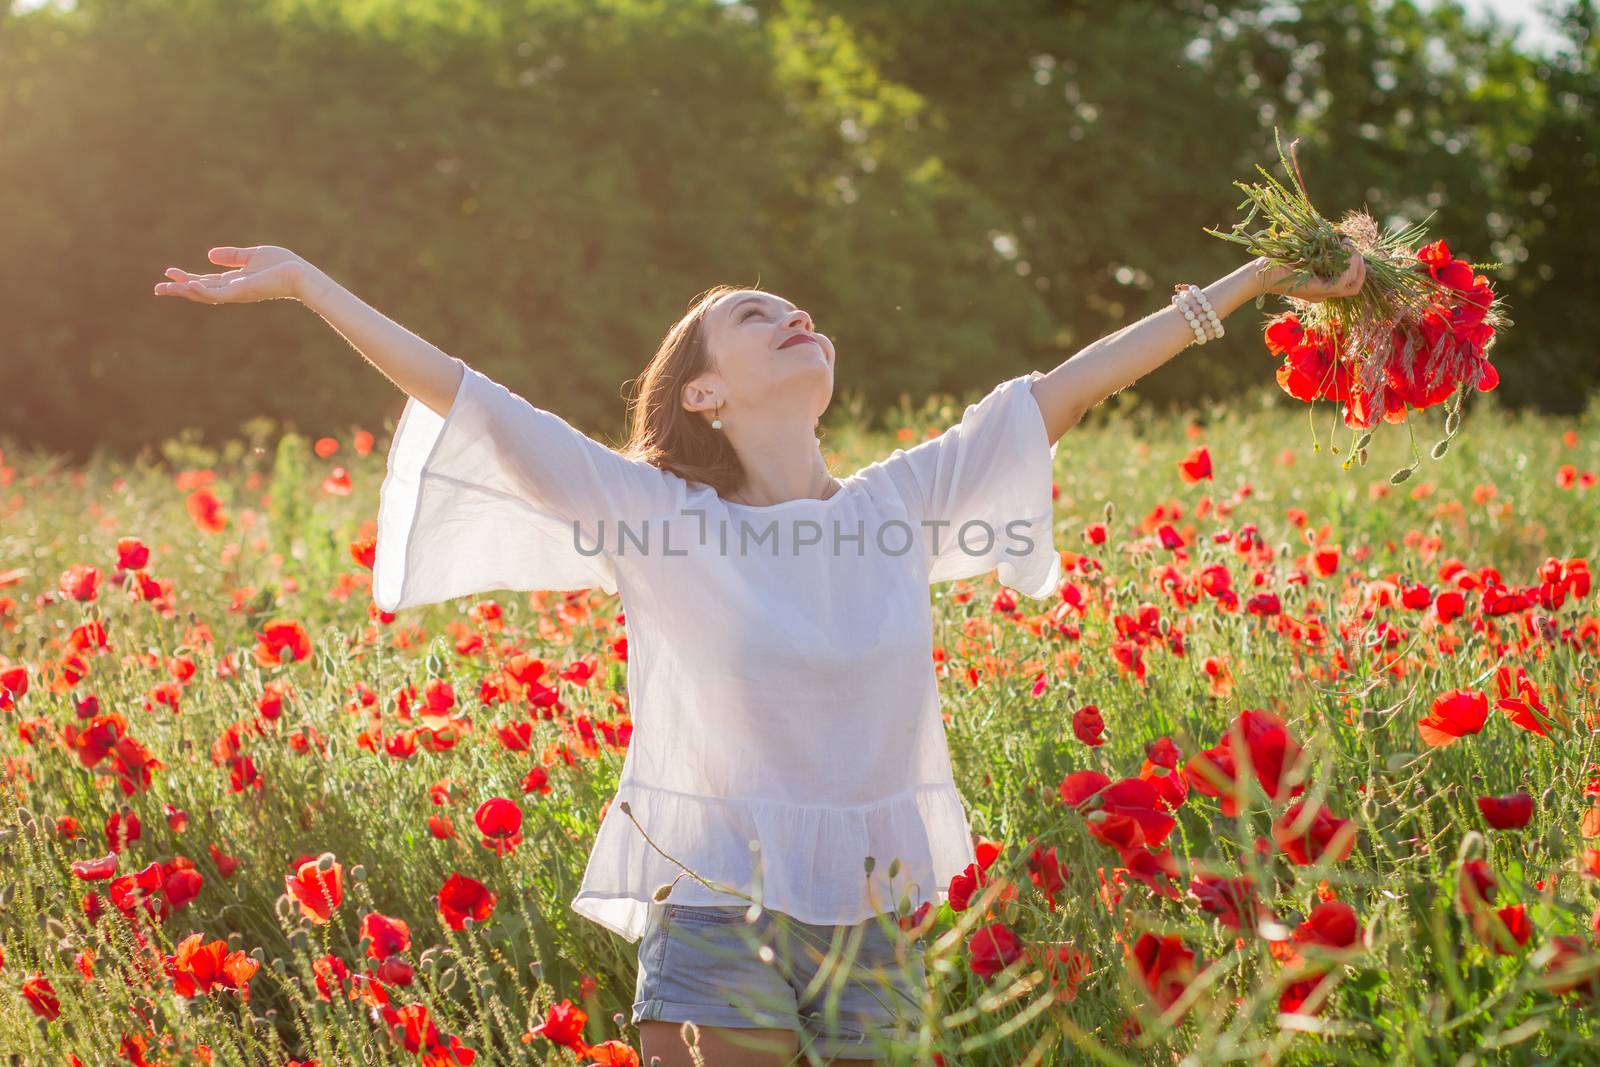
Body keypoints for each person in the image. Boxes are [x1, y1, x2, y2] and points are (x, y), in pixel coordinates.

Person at [154, 245, 1364, 1065]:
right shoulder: (660, 518)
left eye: (802, 314)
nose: (797, 318)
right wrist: (312, 285)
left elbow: (1073, 384)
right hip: (716, 899)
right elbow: (476, 399)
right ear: (704, 396)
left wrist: (1257, 276)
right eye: (753, 319)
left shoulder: (899, 502)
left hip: (879, 908)